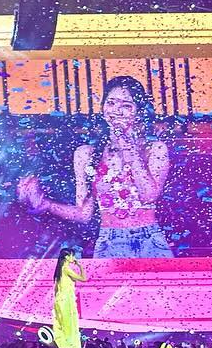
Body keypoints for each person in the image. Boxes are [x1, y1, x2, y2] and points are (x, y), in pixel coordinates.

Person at [17, 75, 173, 258]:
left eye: (126, 105)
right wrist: (45, 204)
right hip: (109, 242)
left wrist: (127, 146)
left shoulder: (155, 149)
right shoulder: (86, 154)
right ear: (103, 108)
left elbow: (149, 195)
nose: (117, 111)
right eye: (111, 103)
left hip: (149, 240)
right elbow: (83, 214)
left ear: (138, 112)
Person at [51, 248, 86, 348]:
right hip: (66, 301)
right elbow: (83, 278)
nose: (74, 258)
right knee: (70, 327)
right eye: (72, 255)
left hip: (60, 300)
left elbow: (55, 289)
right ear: (66, 257)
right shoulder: (66, 268)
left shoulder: (59, 269)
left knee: (62, 326)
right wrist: (80, 266)